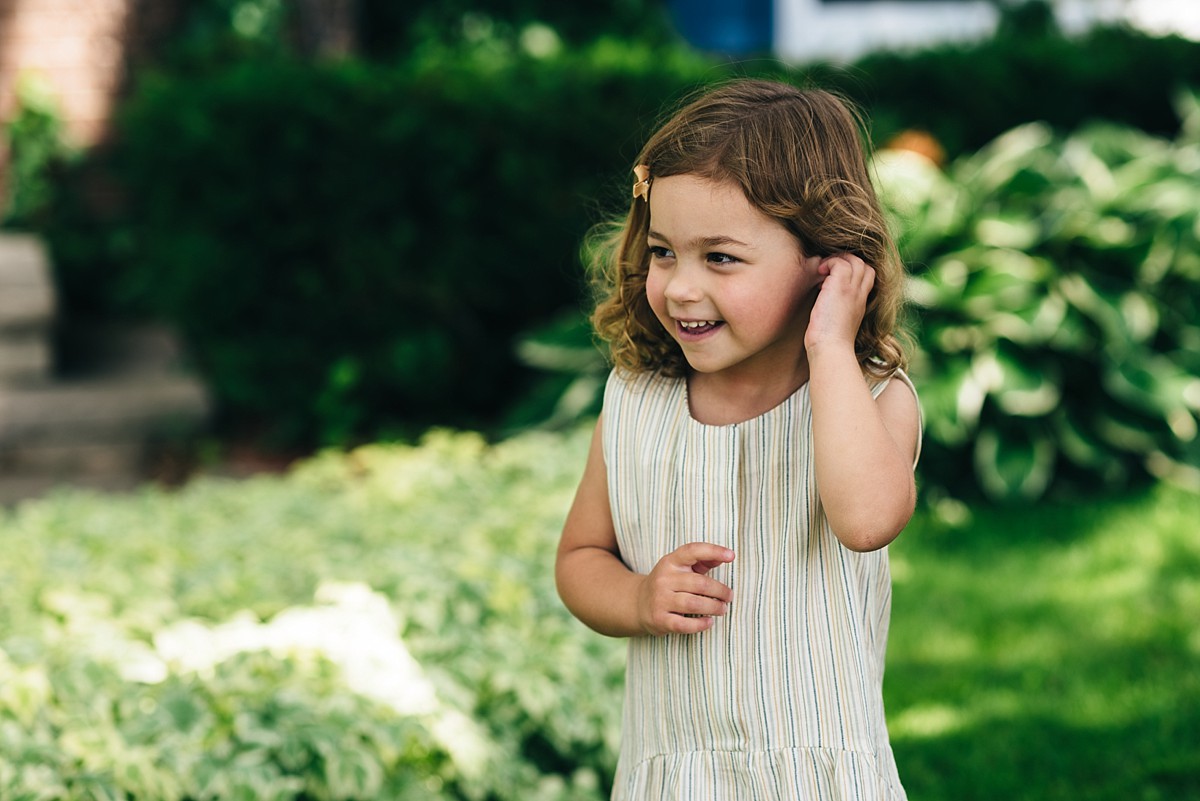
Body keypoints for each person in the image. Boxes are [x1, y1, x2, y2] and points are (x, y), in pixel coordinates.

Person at [555, 78, 923, 800]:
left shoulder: (870, 397)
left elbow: (867, 519)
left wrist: (830, 346)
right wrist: (635, 598)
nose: (682, 287)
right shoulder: (636, 403)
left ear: (827, 259)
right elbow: (579, 556)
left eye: (719, 258)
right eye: (663, 252)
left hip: (821, 776)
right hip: (676, 774)